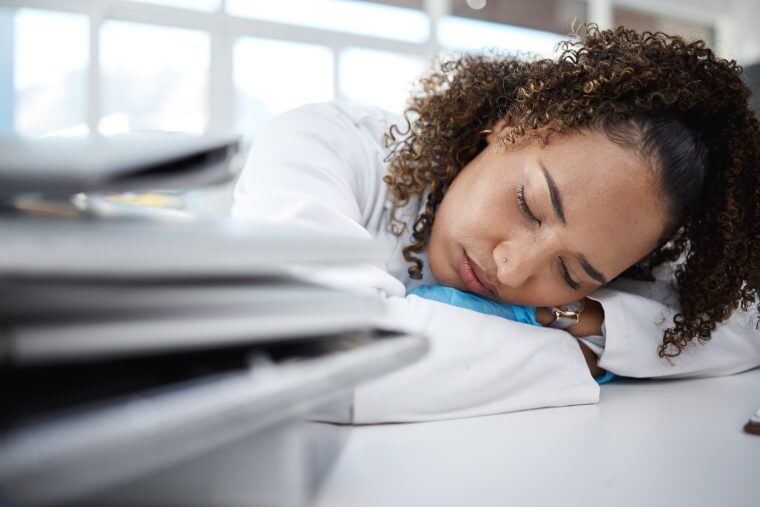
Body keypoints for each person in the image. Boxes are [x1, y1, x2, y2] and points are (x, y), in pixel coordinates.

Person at [232, 24, 760, 423]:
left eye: (571, 273)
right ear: (513, 124)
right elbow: (312, 357)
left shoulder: (625, 243)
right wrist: (577, 355)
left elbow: (746, 327)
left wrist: (585, 319)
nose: (512, 269)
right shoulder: (328, 144)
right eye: (530, 204)